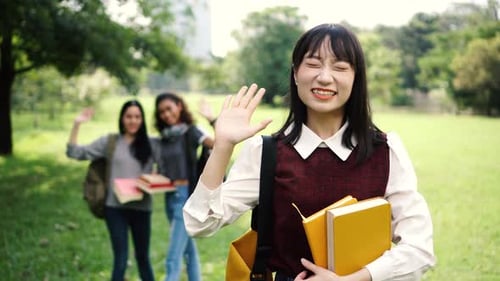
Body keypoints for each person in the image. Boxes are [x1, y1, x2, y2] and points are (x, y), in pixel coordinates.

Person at [183, 23, 436, 281]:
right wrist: (223, 145)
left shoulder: (385, 150)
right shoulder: (266, 153)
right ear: (295, 73)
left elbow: (419, 249)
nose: (325, 77)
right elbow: (199, 223)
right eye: (313, 64)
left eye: (339, 67)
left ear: (356, 77)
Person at [66, 100, 155, 281]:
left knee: (143, 258)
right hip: (115, 209)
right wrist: (77, 124)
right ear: (122, 118)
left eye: (137, 117)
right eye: (129, 116)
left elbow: (170, 165)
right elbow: (75, 152)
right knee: (120, 259)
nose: (133, 121)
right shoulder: (110, 142)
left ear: (142, 119)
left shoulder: (151, 144)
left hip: (142, 208)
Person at [152, 92, 214, 281]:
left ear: (179, 106)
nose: (166, 114)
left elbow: (218, 144)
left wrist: (212, 119)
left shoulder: (191, 132)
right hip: (169, 196)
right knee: (189, 251)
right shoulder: (164, 137)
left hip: (185, 198)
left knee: (173, 257)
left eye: (169, 108)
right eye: (161, 111)